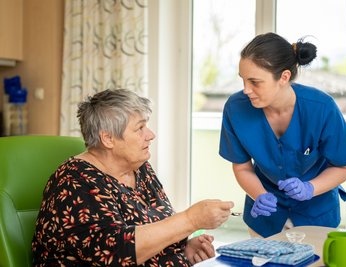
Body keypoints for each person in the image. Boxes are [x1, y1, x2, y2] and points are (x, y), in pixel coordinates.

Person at [32, 89, 234, 266]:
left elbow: (157, 227)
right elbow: (116, 252)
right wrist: (191, 219)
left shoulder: (139, 168)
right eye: (140, 128)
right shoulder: (74, 181)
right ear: (108, 138)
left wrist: (183, 248)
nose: (151, 134)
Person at [219, 32, 346, 238]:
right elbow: (241, 166)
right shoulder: (236, 108)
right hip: (265, 218)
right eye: (243, 80)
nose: (246, 90)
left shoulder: (321, 108)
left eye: (255, 82)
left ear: (284, 77)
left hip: (316, 216)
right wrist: (260, 195)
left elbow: (343, 167)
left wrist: (310, 188)